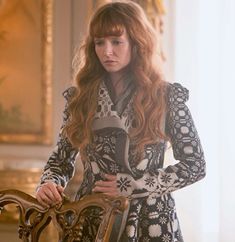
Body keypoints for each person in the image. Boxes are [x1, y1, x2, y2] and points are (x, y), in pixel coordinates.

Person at [36, 1, 206, 241]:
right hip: (92, 218)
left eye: (116, 42)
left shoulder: (166, 97)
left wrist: (133, 184)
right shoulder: (80, 98)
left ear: (137, 43)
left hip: (151, 220)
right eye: (99, 42)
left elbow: (195, 165)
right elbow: (61, 160)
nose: (107, 51)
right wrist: (48, 182)